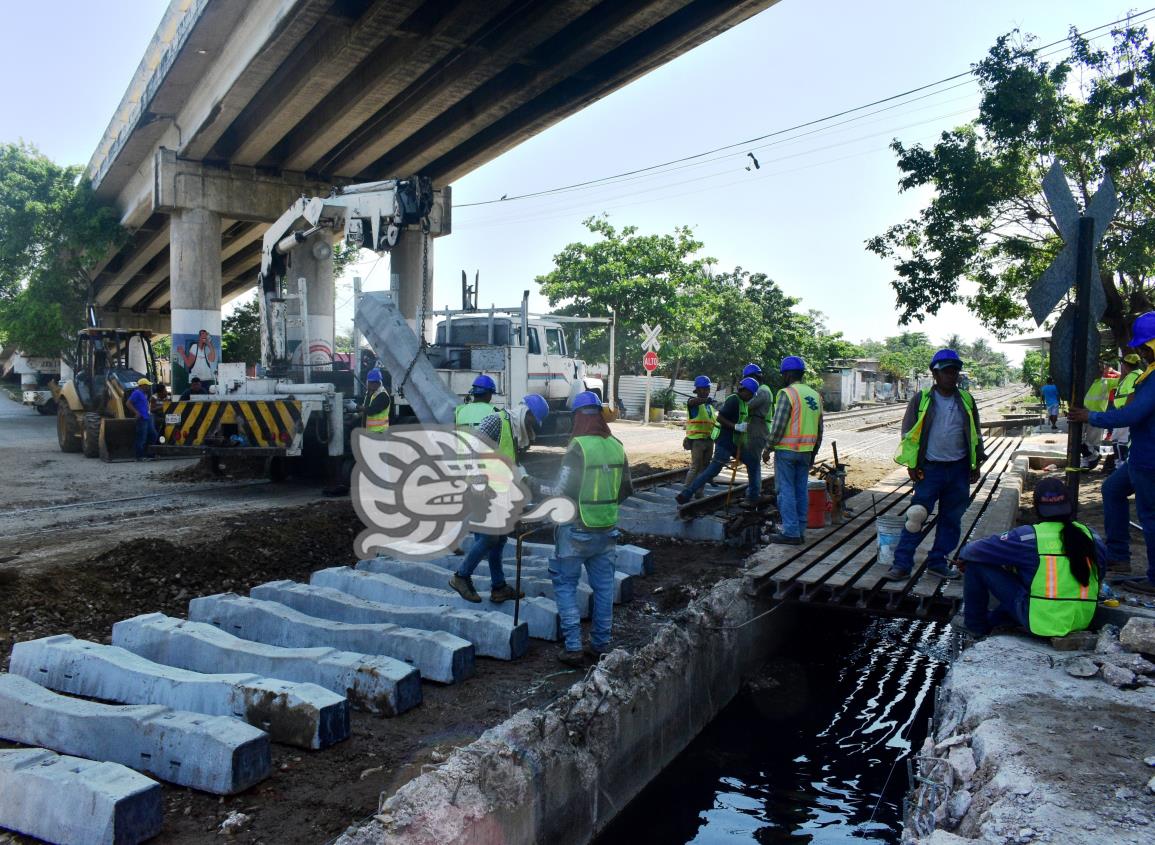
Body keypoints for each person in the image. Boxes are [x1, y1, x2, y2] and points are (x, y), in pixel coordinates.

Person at [544, 391, 633, 667]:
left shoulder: (578, 447)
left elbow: (561, 490)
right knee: (604, 588)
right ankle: (600, 645)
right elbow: (626, 489)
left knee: (565, 585)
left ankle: (573, 647)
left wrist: (532, 484)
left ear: (578, 417)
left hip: (576, 531)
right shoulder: (617, 445)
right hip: (606, 530)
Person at [1069, 311, 1155, 595]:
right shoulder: (1148, 375)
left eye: (1145, 347)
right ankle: (1119, 556)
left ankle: (1154, 579)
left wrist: (1091, 417)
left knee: (1150, 516)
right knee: (1112, 490)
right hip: (1139, 455)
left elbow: (1133, 414)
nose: (1141, 352)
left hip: (1149, 460)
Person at [955, 477, 1105, 638]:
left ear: (1036, 508)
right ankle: (999, 619)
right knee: (1030, 577)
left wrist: (965, 560)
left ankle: (975, 627)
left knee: (976, 565)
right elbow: (1099, 575)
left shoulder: (1028, 537)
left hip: (1040, 621)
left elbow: (971, 551)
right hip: (1081, 620)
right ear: (1069, 505)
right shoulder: (1092, 536)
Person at [884, 348, 985, 581]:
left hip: (959, 469)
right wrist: (912, 464)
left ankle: (937, 562)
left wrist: (976, 463)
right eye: (946, 372)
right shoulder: (921, 400)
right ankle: (901, 564)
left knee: (951, 519)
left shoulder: (967, 400)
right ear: (935, 374)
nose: (951, 376)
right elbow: (908, 433)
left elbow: (975, 433)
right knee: (916, 516)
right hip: (930, 469)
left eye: (954, 372)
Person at [448, 393, 550, 605]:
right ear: (526, 412)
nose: (532, 426)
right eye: (532, 420)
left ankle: (499, 587)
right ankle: (461, 577)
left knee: (499, 539)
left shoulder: (513, 432)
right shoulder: (497, 421)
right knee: (489, 538)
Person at [675, 377, 760, 506]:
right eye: (751, 394)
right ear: (745, 391)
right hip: (721, 442)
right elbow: (719, 417)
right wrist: (736, 426)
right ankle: (686, 493)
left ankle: (753, 495)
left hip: (729, 442)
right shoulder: (733, 400)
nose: (751, 397)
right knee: (706, 469)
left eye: (708, 389)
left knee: (752, 462)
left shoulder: (742, 402)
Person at [767, 356, 824, 545]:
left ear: (789, 373)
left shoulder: (787, 393)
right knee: (801, 490)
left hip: (787, 451)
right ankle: (800, 530)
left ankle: (790, 532)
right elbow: (820, 428)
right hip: (806, 451)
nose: (783, 376)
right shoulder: (815, 395)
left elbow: (778, 425)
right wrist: (814, 452)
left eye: (784, 373)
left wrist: (768, 447)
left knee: (786, 491)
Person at [740, 363, 773, 502]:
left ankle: (754, 495)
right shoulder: (764, 390)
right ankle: (753, 491)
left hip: (758, 431)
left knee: (753, 463)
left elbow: (747, 405)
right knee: (752, 462)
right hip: (757, 429)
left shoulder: (762, 391)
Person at [1079, 362, 1119, 469]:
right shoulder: (1085, 382)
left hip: (1096, 417)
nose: (1100, 371)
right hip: (1082, 415)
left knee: (1092, 442)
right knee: (1080, 441)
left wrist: (1112, 371)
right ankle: (1092, 457)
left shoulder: (1107, 382)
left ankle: (1087, 462)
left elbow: (1124, 378)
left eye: (1102, 369)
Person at [683, 375, 716, 499]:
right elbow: (692, 401)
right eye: (702, 389)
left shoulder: (710, 406)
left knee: (704, 467)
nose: (705, 391)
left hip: (709, 440)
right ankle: (686, 491)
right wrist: (704, 400)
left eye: (707, 389)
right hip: (697, 441)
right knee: (696, 467)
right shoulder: (693, 403)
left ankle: (699, 492)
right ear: (697, 390)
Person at [127, 377, 158, 461]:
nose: (148, 387)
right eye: (147, 385)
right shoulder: (136, 393)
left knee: (153, 435)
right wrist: (136, 412)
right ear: (142, 385)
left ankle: (149, 454)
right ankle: (139, 456)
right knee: (141, 438)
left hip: (147, 417)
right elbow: (128, 403)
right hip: (142, 419)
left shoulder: (144, 394)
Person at [362, 368, 391, 433]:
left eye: (375, 382)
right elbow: (366, 409)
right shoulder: (370, 393)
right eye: (371, 382)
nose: (373, 384)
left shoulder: (382, 395)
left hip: (380, 432)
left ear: (379, 382)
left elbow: (371, 410)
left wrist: (356, 407)